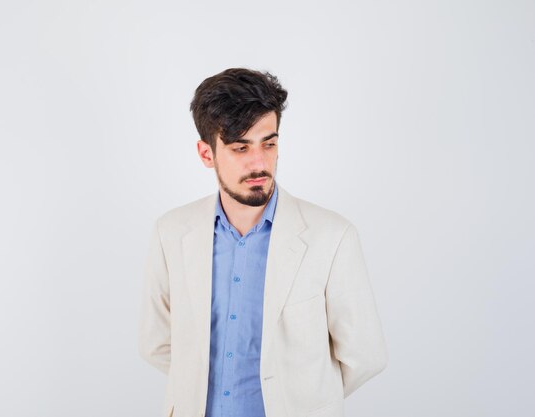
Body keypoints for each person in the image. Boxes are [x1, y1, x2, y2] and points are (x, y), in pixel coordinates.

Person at [138, 68, 388, 417]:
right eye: (240, 147)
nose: (259, 162)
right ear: (206, 153)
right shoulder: (171, 233)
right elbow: (157, 343)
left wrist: (300, 396)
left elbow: (365, 354)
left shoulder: (332, 237)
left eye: (268, 144)